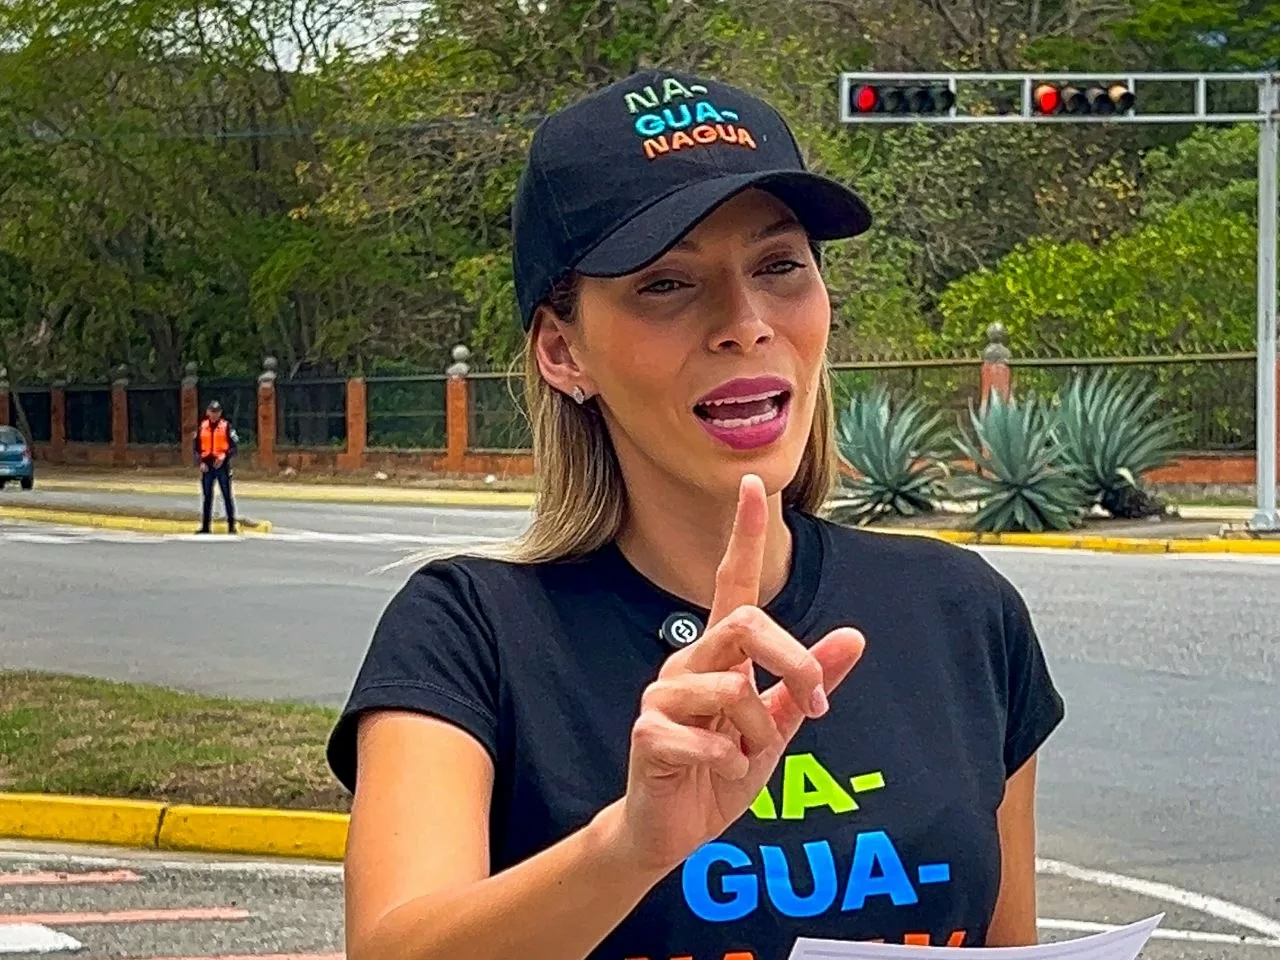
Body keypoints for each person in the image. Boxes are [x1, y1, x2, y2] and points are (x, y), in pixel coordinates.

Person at [326, 70, 1065, 960]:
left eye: (779, 266)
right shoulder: (468, 633)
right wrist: (630, 845)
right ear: (563, 350)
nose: (744, 323)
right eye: (667, 284)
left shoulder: (961, 613)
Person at [192, 399, 238, 534]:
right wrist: (200, 462)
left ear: (220, 413)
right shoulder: (202, 427)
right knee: (207, 497)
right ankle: (205, 527)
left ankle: (231, 526)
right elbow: (196, 448)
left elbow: (234, 448)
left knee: (227, 495)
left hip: (222, 466)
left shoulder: (226, 427)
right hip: (207, 466)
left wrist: (224, 456)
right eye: (212, 411)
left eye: (216, 412)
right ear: (208, 412)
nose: (214, 414)